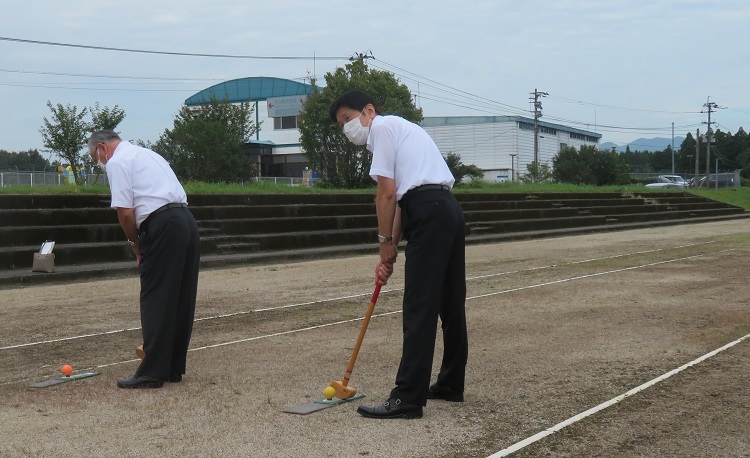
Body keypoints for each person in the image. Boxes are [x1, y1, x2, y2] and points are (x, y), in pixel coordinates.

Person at [329, 90, 468, 419]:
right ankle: (451, 383)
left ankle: (407, 396)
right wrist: (388, 252)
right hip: (446, 209)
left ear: (369, 111)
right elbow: (404, 200)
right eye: (341, 125)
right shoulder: (404, 130)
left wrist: (384, 242)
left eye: (349, 119)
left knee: (419, 306)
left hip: (429, 210)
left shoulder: (383, 128)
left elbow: (387, 194)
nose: (347, 128)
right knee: (449, 302)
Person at [87, 130, 200, 389]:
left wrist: (136, 245)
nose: (99, 163)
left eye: (96, 157)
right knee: (181, 296)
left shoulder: (117, 162)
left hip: (162, 224)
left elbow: (125, 213)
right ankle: (172, 366)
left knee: (156, 296)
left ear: (102, 148)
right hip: (186, 222)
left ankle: (152, 372)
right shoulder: (149, 154)